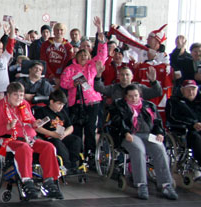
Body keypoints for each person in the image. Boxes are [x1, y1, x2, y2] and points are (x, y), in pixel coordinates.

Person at [0, 82, 63, 199]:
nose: (19, 98)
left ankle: (49, 181)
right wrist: (8, 127)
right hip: (10, 139)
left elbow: (31, 121)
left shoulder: (24, 104)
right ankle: (27, 182)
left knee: (49, 147)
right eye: (16, 95)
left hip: (29, 138)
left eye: (21, 95)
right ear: (8, 95)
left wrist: (35, 123)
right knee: (24, 148)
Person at [109, 85, 178, 200]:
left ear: (139, 95)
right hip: (129, 135)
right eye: (130, 96)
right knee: (138, 150)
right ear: (125, 97)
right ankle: (141, 184)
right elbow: (117, 122)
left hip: (148, 134)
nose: (133, 98)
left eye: (136, 95)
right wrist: (125, 132)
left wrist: (160, 133)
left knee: (160, 149)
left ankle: (166, 184)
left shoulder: (149, 106)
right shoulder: (119, 106)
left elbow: (157, 122)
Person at [59, 17, 106, 156]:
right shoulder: (70, 69)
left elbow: (102, 54)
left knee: (91, 129)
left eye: (86, 55)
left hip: (92, 102)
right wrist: (73, 84)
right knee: (77, 129)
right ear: (77, 57)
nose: (84, 57)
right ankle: (78, 154)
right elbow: (63, 83)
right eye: (81, 55)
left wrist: (100, 30)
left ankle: (91, 155)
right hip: (76, 103)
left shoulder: (92, 67)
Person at [166, 80, 201, 180]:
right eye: (188, 89)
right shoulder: (174, 102)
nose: (191, 92)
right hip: (185, 131)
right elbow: (173, 117)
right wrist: (193, 124)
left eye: (193, 89)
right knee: (195, 136)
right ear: (182, 90)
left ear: (197, 90)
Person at [33, 90, 83, 174]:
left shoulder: (62, 112)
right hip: (48, 137)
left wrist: (65, 134)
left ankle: (74, 164)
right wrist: (52, 134)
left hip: (61, 135)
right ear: (52, 102)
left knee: (76, 140)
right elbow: (37, 128)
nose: (61, 107)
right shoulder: (41, 111)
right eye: (59, 104)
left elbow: (70, 126)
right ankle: (66, 166)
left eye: (63, 105)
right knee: (57, 142)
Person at [94, 67, 162, 102]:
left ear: (132, 76)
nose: (124, 77)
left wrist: (153, 82)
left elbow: (157, 92)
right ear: (118, 76)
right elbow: (99, 88)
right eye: (122, 75)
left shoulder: (139, 88)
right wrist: (98, 76)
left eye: (127, 75)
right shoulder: (114, 88)